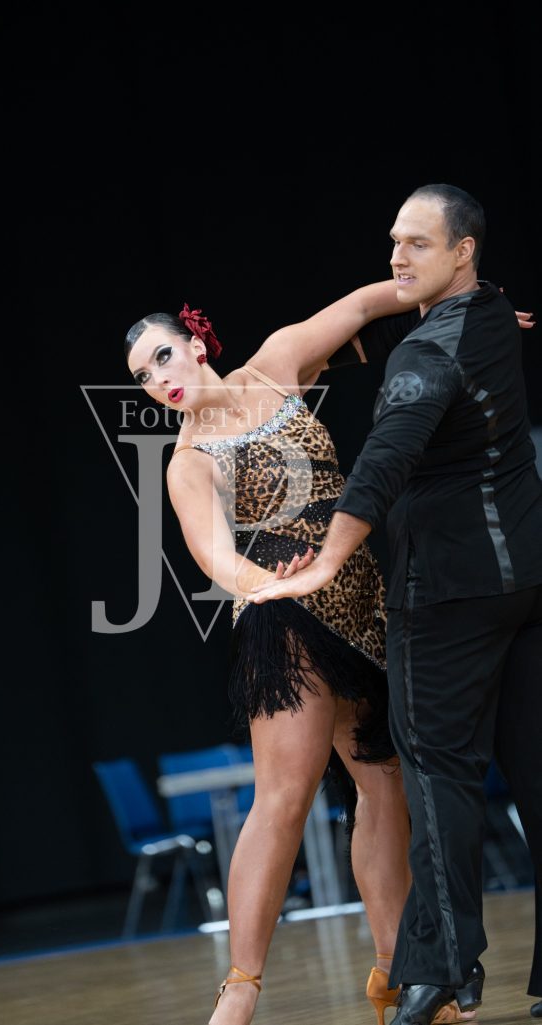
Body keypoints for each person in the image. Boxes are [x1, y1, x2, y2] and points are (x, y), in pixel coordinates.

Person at [124, 283, 478, 1025]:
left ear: (195, 343)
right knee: (283, 798)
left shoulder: (275, 363)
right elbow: (215, 557)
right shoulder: (188, 460)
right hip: (287, 619)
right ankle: (240, 987)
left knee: (382, 786)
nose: (158, 379)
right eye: (143, 377)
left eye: (162, 357)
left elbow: (361, 309)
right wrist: (269, 584)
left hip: (364, 605)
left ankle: (396, 973)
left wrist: (454, 299)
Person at [247, 183, 542, 1025]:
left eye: (416, 243)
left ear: (463, 251)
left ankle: (440, 970)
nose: (395, 257)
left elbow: (382, 457)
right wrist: (466, 292)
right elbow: (367, 318)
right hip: (523, 578)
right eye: (392, 241)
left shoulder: (425, 355)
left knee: (438, 774)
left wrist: (326, 559)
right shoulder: (488, 314)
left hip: (446, 593)